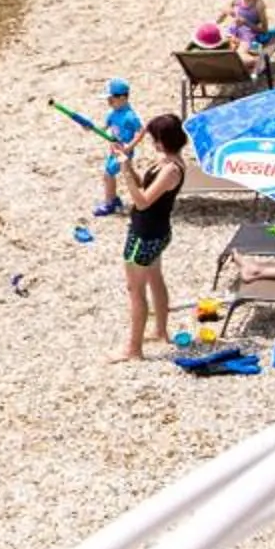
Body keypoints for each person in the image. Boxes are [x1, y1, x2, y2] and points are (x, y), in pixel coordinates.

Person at [112, 112, 187, 362]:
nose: (151, 141)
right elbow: (144, 188)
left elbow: (142, 202)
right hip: (156, 232)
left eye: (154, 137)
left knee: (135, 289)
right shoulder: (166, 161)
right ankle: (160, 330)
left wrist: (123, 169)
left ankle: (133, 350)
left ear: (162, 140)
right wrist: (129, 165)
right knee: (155, 279)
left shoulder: (171, 170)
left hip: (146, 234)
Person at [89, 79, 144, 218]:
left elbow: (140, 132)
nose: (109, 102)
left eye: (111, 99)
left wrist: (129, 147)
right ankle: (145, 189)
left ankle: (110, 202)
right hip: (114, 150)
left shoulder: (130, 116)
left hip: (124, 152)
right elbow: (103, 127)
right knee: (129, 172)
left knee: (108, 174)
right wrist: (90, 127)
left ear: (123, 98)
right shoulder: (112, 114)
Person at [220, 0, 275, 79]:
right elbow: (221, 16)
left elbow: (264, 30)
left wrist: (246, 23)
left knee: (240, 55)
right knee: (219, 49)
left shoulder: (258, 4)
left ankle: (257, 61)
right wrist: (226, 11)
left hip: (248, 34)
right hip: (233, 30)